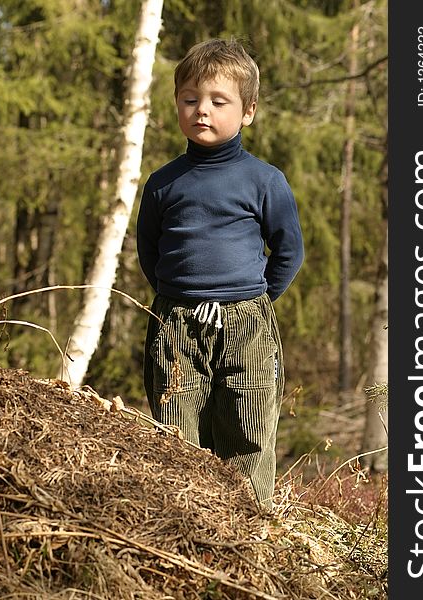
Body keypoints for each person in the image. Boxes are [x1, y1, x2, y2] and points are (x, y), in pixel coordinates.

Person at [136, 38, 304, 509]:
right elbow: (149, 251)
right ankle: (185, 521)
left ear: (248, 111)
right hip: (177, 323)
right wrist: (177, 294)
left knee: (246, 428)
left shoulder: (264, 180)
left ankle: (248, 529)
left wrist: (255, 298)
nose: (201, 111)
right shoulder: (163, 183)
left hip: (246, 321)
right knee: (176, 432)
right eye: (190, 100)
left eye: (217, 101)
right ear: (176, 105)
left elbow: (289, 249)